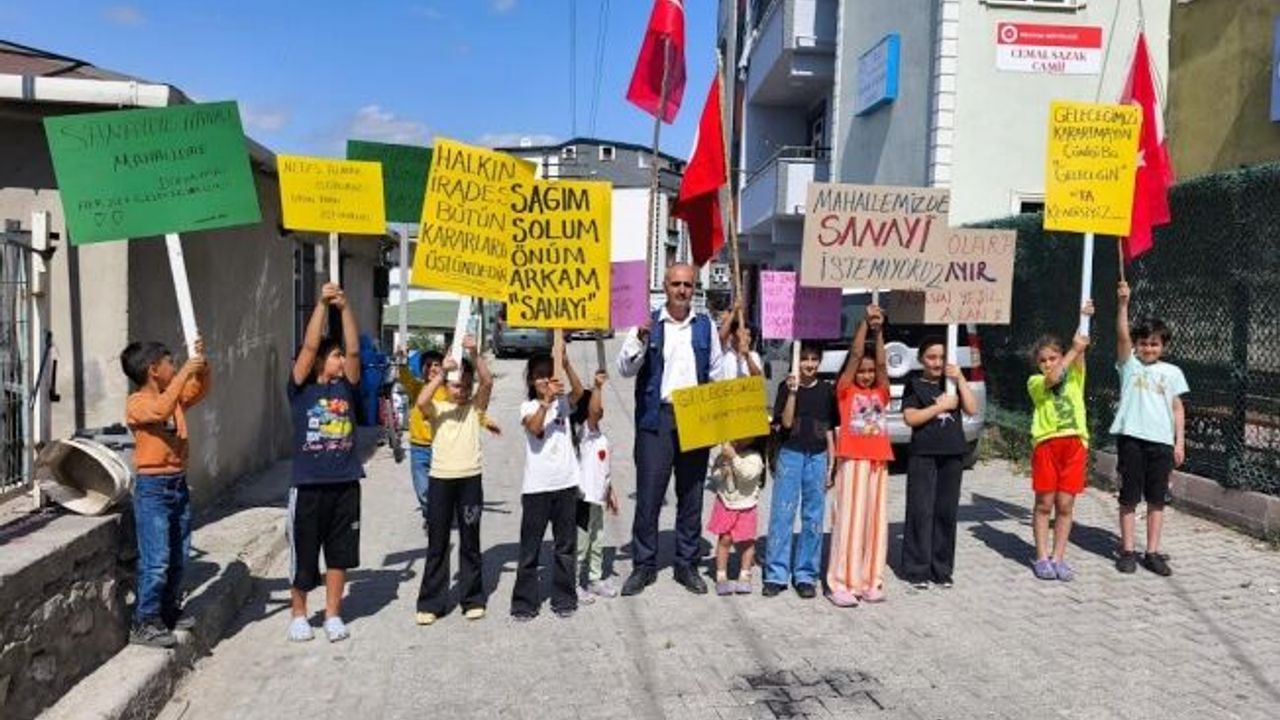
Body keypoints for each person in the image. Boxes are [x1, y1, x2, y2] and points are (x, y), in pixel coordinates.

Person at [617, 264, 727, 596]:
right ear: (665, 286)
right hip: (657, 419)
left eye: (688, 285)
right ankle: (644, 565)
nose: (682, 290)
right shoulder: (648, 323)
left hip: (695, 416)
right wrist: (640, 337)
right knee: (649, 495)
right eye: (676, 284)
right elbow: (624, 369)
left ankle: (686, 564)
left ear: (695, 289)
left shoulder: (705, 327)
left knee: (691, 495)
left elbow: (717, 373)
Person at [120, 337, 210, 648]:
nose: (175, 367)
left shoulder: (174, 397)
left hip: (177, 483)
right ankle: (144, 620)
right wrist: (186, 372)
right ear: (153, 369)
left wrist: (201, 365)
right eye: (170, 363)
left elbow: (199, 389)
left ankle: (167, 610)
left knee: (178, 555)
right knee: (156, 560)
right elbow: (159, 411)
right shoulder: (137, 403)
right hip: (153, 489)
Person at [286, 283, 363, 642]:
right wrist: (321, 303)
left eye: (340, 356)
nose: (341, 360)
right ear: (319, 361)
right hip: (308, 486)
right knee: (304, 554)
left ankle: (333, 614)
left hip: (345, 484)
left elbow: (354, 349)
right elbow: (309, 345)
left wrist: (344, 308)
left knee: (339, 554)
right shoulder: (301, 389)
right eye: (334, 356)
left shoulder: (347, 387)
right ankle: (299, 614)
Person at [415, 335, 493, 624]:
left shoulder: (475, 409)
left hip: (470, 480)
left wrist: (474, 354)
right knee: (437, 543)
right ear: (447, 386)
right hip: (441, 481)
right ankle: (431, 603)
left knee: (470, 542)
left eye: (466, 385)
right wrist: (442, 374)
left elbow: (487, 382)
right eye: (456, 385)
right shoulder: (438, 408)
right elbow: (421, 401)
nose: (462, 390)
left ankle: (472, 599)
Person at [1112, 281, 1188, 576]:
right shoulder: (1129, 366)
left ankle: (1152, 553)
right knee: (1129, 498)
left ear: (1163, 346)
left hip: (1162, 444)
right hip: (1131, 441)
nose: (1148, 348)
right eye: (1143, 343)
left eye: (1154, 343)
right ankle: (1127, 550)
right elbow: (1122, 336)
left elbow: (1177, 408)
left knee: (1157, 500)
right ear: (1136, 345)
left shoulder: (1173, 372)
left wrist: (1179, 442)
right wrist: (1123, 304)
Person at [511, 350, 584, 620]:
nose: (544, 380)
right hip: (537, 488)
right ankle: (524, 602)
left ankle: (564, 598)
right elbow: (535, 428)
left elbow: (579, 393)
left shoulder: (563, 403)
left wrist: (567, 363)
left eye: (548, 374)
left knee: (565, 547)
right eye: (539, 375)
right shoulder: (528, 406)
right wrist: (545, 402)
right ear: (531, 380)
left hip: (566, 484)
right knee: (530, 549)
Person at [828, 303, 893, 606]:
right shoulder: (845, 391)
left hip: (878, 463)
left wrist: (879, 333)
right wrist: (865, 324)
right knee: (849, 523)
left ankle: (871, 580)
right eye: (862, 371)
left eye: (869, 372)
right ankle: (841, 583)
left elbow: (881, 365)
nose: (866, 375)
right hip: (852, 462)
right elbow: (855, 356)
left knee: (874, 525)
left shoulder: (880, 392)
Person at [901, 337, 978, 589]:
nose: (937, 363)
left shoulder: (952, 383)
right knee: (921, 510)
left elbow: (972, 409)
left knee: (946, 512)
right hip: (923, 454)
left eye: (942, 358)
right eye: (931, 357)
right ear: (921, 359)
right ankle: (917, 569)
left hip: (952, 453)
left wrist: (961, 379)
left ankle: (941, 569)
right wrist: (940, 407)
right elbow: (911, 418)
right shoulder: (914, 384)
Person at [1027, 301, 1094, 582]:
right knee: (1045, 503)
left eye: (1052, 357)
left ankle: (1059, 557)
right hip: (1047, 445)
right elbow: (1055, 377)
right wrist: (1073, 350)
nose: (1048, 364)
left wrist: (1084, 317)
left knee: (1065, 505)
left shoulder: (1076, 375)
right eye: (1043, 360)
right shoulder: (1035, 382)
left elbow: (1080, 344)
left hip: (1074, 444)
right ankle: (1042, 557)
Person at [764, 342, 838, 598]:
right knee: (782, 514)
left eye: (814, 359)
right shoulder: (785, 387)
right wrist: (793, 393)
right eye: (804, 358)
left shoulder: (827, 390)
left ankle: (806, 575)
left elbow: (829, 428)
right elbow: (785, 423)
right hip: (791, 454)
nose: (809, 364)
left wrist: (832, 463)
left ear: (820, 361)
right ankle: (776, 574)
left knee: (813, 517)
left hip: (818, 456)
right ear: (796, 361)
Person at [397, 349, 501, 530]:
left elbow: (472, 411)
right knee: (422, 488)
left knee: (440, 488)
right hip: (419, 447)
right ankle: (431, 514)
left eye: (436, 365)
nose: (432, 368)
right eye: (427, 365)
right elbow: (406, 379)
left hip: (439, 448)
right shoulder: (418, 388)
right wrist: (401, 361)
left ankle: (440, 514)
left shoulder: (449, 391)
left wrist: (486, 422)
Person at [569, 362, 620, 603]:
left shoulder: (600, 436)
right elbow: (593, 412)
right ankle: (574, 583)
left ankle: (595, 578)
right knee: (581, 544)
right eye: (595, 406)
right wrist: (598, 387)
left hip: (598, 498)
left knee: (598, 539)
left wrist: (610, 491)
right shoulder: (585, 433)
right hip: (583, 498)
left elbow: (603, 469)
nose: (600, 410)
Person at [707, 437, 765, 595]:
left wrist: (734, 457)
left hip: (746, 505)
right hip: (726, 503)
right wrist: (722, 470)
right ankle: (721, 574)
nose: (739, 440)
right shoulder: (724, 455)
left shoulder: (754, 457)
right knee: (724, 539)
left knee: (747, 541)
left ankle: (745, 574)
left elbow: (748, 475)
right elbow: (714, 474)